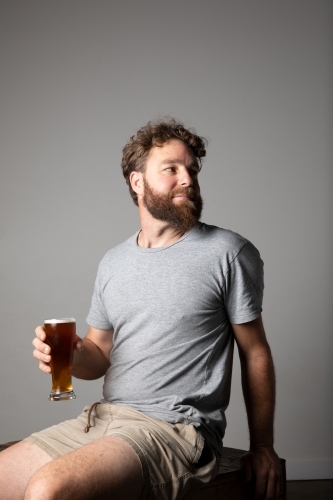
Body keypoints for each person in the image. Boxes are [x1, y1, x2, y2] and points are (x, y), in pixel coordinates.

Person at [0, 118, 282, 500]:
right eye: (172, 169)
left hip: (173, 431)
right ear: (137, 181)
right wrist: (70, 354)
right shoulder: (113, 262)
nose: (188, 179)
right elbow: (98, 356)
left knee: (49, 489)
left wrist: (262, 446)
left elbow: (256, 352)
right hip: (102, 419)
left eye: (192, 170)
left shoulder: (228, 252)